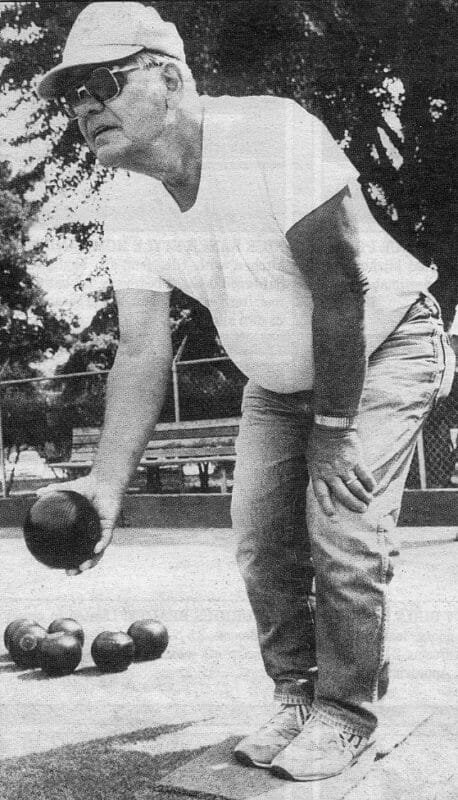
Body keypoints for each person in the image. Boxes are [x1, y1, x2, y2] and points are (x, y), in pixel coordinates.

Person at [37, 1, 455, 782]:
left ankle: (349, 709)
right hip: (278, 379)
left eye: (103, 81)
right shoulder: (127, 199)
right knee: (262, 539)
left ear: (172, 76)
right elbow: (139, 349)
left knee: (343, 528)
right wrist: (105, 486)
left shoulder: (272, 133)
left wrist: (334, 426)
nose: (86, 105)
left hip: (385, 343)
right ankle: (298, 694)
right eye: (73, 94)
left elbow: (343, 289)